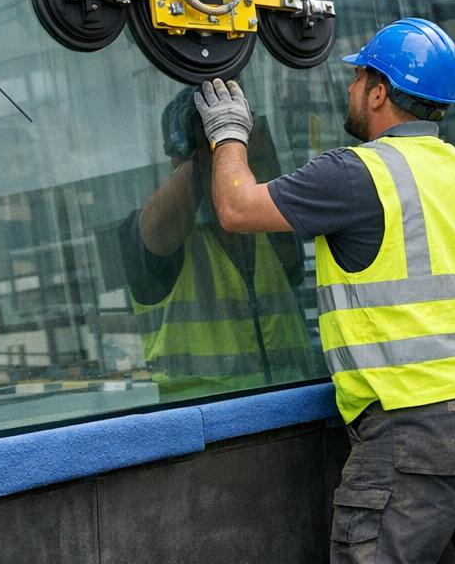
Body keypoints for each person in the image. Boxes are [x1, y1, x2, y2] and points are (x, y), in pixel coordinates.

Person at [196, 19, 455, 564]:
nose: (349, 90)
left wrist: (227, 135)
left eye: (358, 78)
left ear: (379, 92)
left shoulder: (356, 172)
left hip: (421, 420)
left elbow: (236, 208)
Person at [121, 88, 320, 398]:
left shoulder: (266, 224)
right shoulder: (153, 231)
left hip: (294, 405)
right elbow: (159, 229)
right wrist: (217, 143)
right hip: (205, 422)